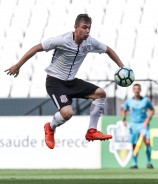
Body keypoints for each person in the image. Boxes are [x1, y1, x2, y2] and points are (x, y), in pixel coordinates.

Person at [4, 14, 125, 149]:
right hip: (55, 82)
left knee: (100, 93)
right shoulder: (62, 40)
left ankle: (91, 131)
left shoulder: (90, 42)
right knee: (67, 113)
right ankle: (50, 127)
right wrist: (18, 65)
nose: (87, 31)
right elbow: (37, 48)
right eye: (84, 27)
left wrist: (122, 67)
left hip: (71, 82)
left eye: (89, 28)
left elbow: (108, 50)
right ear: (76, 27)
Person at [121, 83, 155, 169]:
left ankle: (149, 162)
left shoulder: (145, 100)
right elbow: (124, 110)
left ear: (140, 90)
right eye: (135, 89)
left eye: (138, 89)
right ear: (133, 90)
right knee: (134, 144)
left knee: (147, 142)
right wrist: (124, 120)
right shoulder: (129, 101)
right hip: (133, 125)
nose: (136, 90)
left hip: (143, 124)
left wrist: (148, 118)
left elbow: (152, 110)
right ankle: (134, 163)